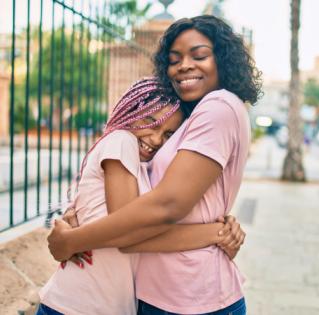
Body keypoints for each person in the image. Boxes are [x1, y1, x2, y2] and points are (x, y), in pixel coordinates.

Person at [47, 15, 262, 315]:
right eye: (174, 60)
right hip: (162, 294)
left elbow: (163, 207)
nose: (184, 65)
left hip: (189, 295)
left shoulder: (219, 105)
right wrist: (215, 230)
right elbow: (146, 206)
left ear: (224, 60)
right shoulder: (178, 123)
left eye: (199, 55)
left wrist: (69, 241)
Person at [37, 77, 242, 315]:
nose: (156, 139)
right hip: (75, 306)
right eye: (151, 122)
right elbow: (129, 232)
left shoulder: (146, 168)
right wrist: (215, 233)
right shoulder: (120, 140)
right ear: (130, 110)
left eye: (168, 134)